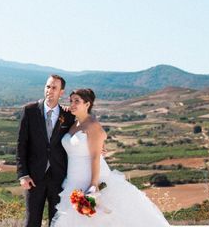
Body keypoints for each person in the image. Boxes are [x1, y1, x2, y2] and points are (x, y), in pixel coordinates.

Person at [51, 88, 169, 226]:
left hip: (91, 177)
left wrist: (93, 185)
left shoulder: (93, 126)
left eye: (77, 101)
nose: (72, 104)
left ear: (87, 104)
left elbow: (95, 157)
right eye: (71, 101)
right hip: (73, 178)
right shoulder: (74, 124)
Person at [17, 75, 75, 227]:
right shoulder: (29, 111)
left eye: (54, 88)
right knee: (32, 222)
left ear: (61, 92)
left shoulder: (68, 116)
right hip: (34, 178)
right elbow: (21, 144)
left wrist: (99, 144)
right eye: (48, 86)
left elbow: (82, 133)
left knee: (56, 222)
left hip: (59, 178)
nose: (50, 90)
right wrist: (23, 174)